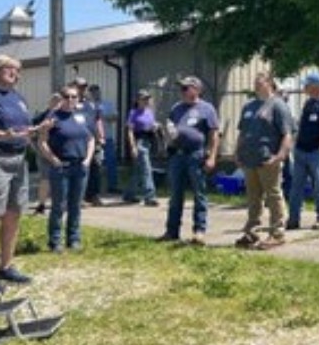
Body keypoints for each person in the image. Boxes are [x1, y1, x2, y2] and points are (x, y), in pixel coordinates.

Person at [0, 54, 53, 285]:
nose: (17, 73)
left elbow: (21, 129)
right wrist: (5, 135)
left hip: (18, 160)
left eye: (19, 70)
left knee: (13, 214)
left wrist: (37, 128)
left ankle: (5, 267)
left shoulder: (17, 97)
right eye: (11, 69)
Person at [158, 75, 220, 245]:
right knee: (175, 195)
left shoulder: (207, 109)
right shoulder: (176, 108)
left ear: (197, 90)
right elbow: (170, 129)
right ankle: (172, 231)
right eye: (181, 88)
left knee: (199, 194)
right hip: (178, 155)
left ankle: (199, 231)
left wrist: (212, 157)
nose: (182, 91)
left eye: (186, 88)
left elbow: (214, 135)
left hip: (196, 155)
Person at [234, 72, 293, 248]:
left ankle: (277, 233)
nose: (256, 85)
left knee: (273, 195)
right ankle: (252, 232)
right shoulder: (249, 106)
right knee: (253, 197)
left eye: (260, 82)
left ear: (270, 84)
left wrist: (280, 155)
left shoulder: (278, 105)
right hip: (249, 159)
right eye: (255, 83)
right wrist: (237, 152)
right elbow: (242, 132)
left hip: (268, 159)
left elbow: (287, 133)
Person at [38, 85, 95, 252]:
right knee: (59, 206)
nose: (71, 100)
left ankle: (74, 239)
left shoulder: (82, 116)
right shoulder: (52, 117)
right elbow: (42, 141)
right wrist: (53, 159)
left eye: (74, 96)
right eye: (67, 96)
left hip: (80, 166)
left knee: (75, 206)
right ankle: (55, 241)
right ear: (61, 98)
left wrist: (88, 160)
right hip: (61, 167)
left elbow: (91, 139)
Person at [287, 72, 319, 230]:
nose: (304, 88)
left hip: (317, 152)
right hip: (301, 150)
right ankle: (293, 219)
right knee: (296, 186)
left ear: (315, 86)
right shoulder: (308, 103)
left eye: (306, 85)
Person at [122, 89, 161, 206]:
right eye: (144, 99)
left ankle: (129, 194)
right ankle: (150, 196)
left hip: (149, 141)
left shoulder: (149, 112)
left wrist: (156, 126)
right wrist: (133, 146)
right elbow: (129, 131)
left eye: (147, 99)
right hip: (139, 141)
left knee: (138, 170)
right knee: (146, 169)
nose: (146, 101)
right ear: (138, 100)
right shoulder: (133, 113)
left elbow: (151, 125)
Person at [72, 77, 105, 207]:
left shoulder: (90, 104)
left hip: (92, 140)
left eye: (84, 86)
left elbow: (98, 119)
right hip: (77, 141)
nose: (82, 89)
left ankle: (93, 195)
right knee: (80, 169)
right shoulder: (70, 102)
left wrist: (101, 136)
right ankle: (78, 197)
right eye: (80, 86)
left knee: (96, 167)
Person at [31, 93, 64, 216]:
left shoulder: (64, 116)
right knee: (45, 178)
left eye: (59, 101)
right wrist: (36, 148)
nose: (57, 103)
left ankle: (61, 204)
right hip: (44, 152)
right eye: (54, 100)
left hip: (60, 152)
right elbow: (31, 132)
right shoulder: (42, 116)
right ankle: (41, 205)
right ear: (50, 102)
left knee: (61, 179)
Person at [89, 83, 120, 193]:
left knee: (111, 162)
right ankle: (95, 189)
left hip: (108, 137)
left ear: (100, 92)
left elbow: (116, 117)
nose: (95, 94)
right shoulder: (88, 106)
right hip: (93, 139)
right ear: (90, 94)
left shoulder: (108, 104)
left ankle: (112, 186)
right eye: (92, 92)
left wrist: (103, 117)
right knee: (96, 164)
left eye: (97, 91)